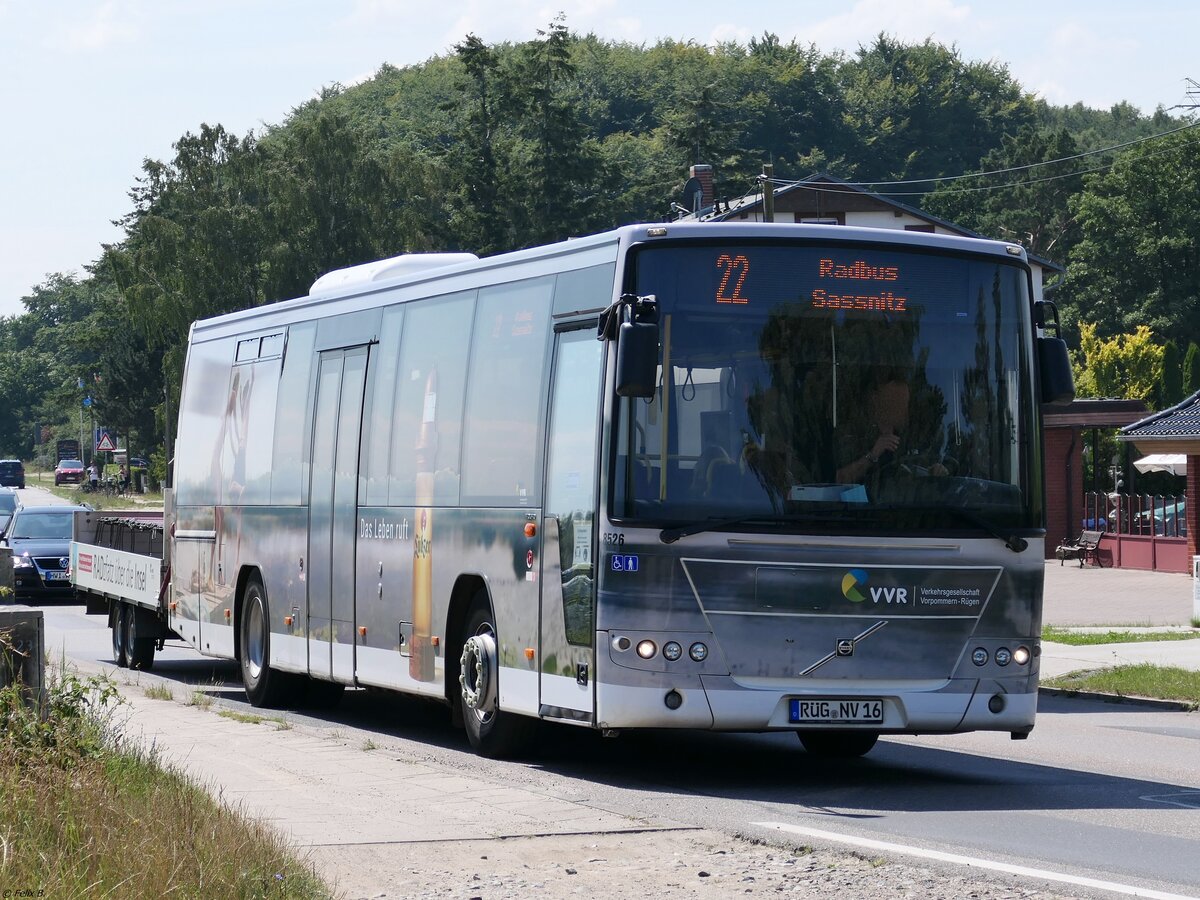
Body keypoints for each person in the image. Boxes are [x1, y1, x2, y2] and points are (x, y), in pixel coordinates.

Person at [836, 372, 948, 486]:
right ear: (877, 401)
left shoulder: (910, 437)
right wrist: (873, 454)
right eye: (897, 401)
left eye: (905, 402)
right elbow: (839, 479)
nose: (904, 409)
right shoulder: (855, 435)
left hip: (908, 501)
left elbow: (918, 468)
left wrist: (934, 471)